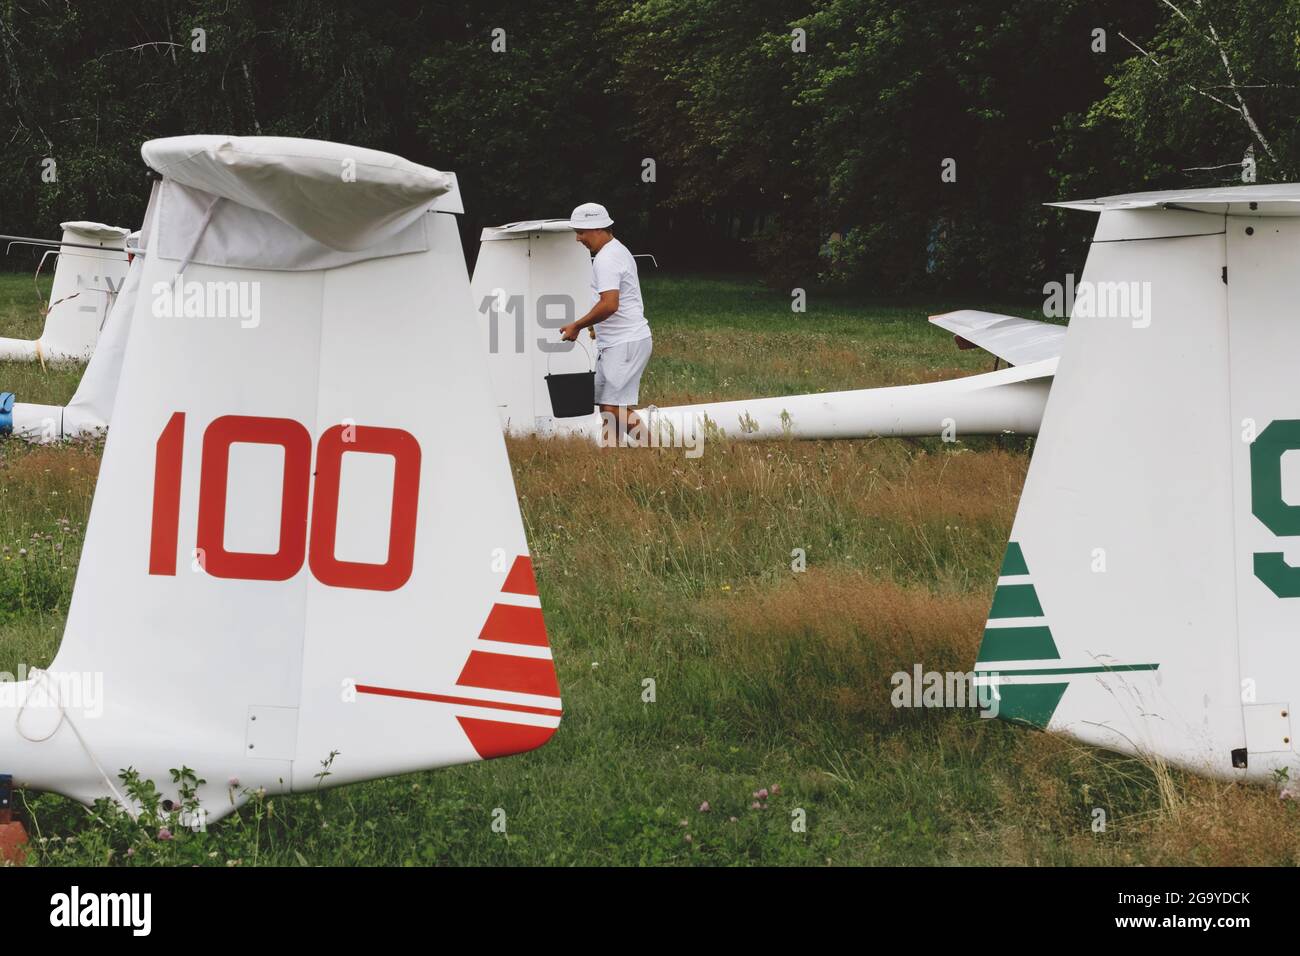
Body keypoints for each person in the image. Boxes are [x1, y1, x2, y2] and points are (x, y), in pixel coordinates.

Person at [559, 202, 652, 445]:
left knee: (613, 408)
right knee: (607, 407)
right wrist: (595, 325)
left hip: (625, 341)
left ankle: (657, 453)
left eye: (581, 232)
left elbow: (610, 304)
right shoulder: (615, 251)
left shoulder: (607, 259)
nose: (578, 239)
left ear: (597, 228)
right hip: (617, 341)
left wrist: (578, 325)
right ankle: (609, 463)